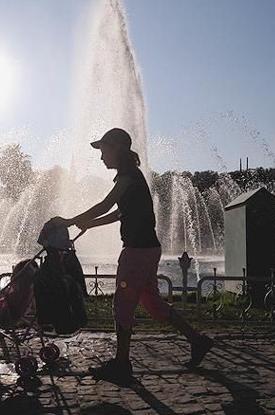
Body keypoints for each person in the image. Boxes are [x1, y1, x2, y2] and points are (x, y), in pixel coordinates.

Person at [49, 127, 213, 382]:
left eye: (103, 150)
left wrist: (69, 221)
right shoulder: (131, 178)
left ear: (116, 148)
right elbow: (118, 213)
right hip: (148, 248)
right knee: (153, 304)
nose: (101, 157)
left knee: (123, 304)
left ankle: (122, 363)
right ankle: (197, 340)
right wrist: (89, 224)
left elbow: (106, 204)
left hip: (136, 251)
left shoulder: (127, 177)